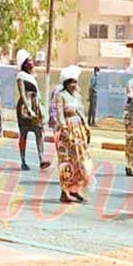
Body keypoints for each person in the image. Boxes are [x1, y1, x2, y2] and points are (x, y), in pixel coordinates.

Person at [54, 65, 93, 203]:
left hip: (78, 131)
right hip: (67, 131)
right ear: (65, 83)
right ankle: (64, 192)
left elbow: (81, 112)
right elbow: (59, 113)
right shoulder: (61, 96)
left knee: (80, 162)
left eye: (75, 82)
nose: (73, 85)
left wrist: (86, 127)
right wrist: (64, 128)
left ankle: (76, 190)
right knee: (67, 162)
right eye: (71, 82)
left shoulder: (77, 96)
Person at [15, 49, 49, 171]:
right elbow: (23, 94)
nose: (32, 62)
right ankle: (23, 161)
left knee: (39, 131)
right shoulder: (20, 76)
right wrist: (28, 108)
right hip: (25, 107)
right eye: (29, 60)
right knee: (23, 134)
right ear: (24, 63)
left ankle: (41, 159)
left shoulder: (34, 75)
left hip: (36, 105)